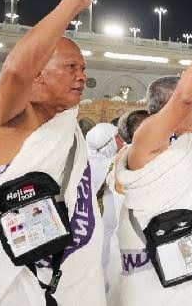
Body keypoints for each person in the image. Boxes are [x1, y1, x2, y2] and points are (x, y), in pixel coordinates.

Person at [0, 0, 107, 306]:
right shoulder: (12, 122)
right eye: (71, 68)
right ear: (38, 75)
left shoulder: (67, 126)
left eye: (83, 69)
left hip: (78, 283)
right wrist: (72, 4)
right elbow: (16, 71)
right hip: (19, 287)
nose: (82, 77)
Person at [115, 0, 192, 305]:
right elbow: (185, 96)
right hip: (153, 278)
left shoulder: (181, 145)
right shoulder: (147, 139)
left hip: (191, 265)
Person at [85, 123, 124, 293]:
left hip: (106, 232)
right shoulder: (93, 163)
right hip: (94, 232)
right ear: (106, 143)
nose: (121, 142)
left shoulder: (101, 161)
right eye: (117, 138)